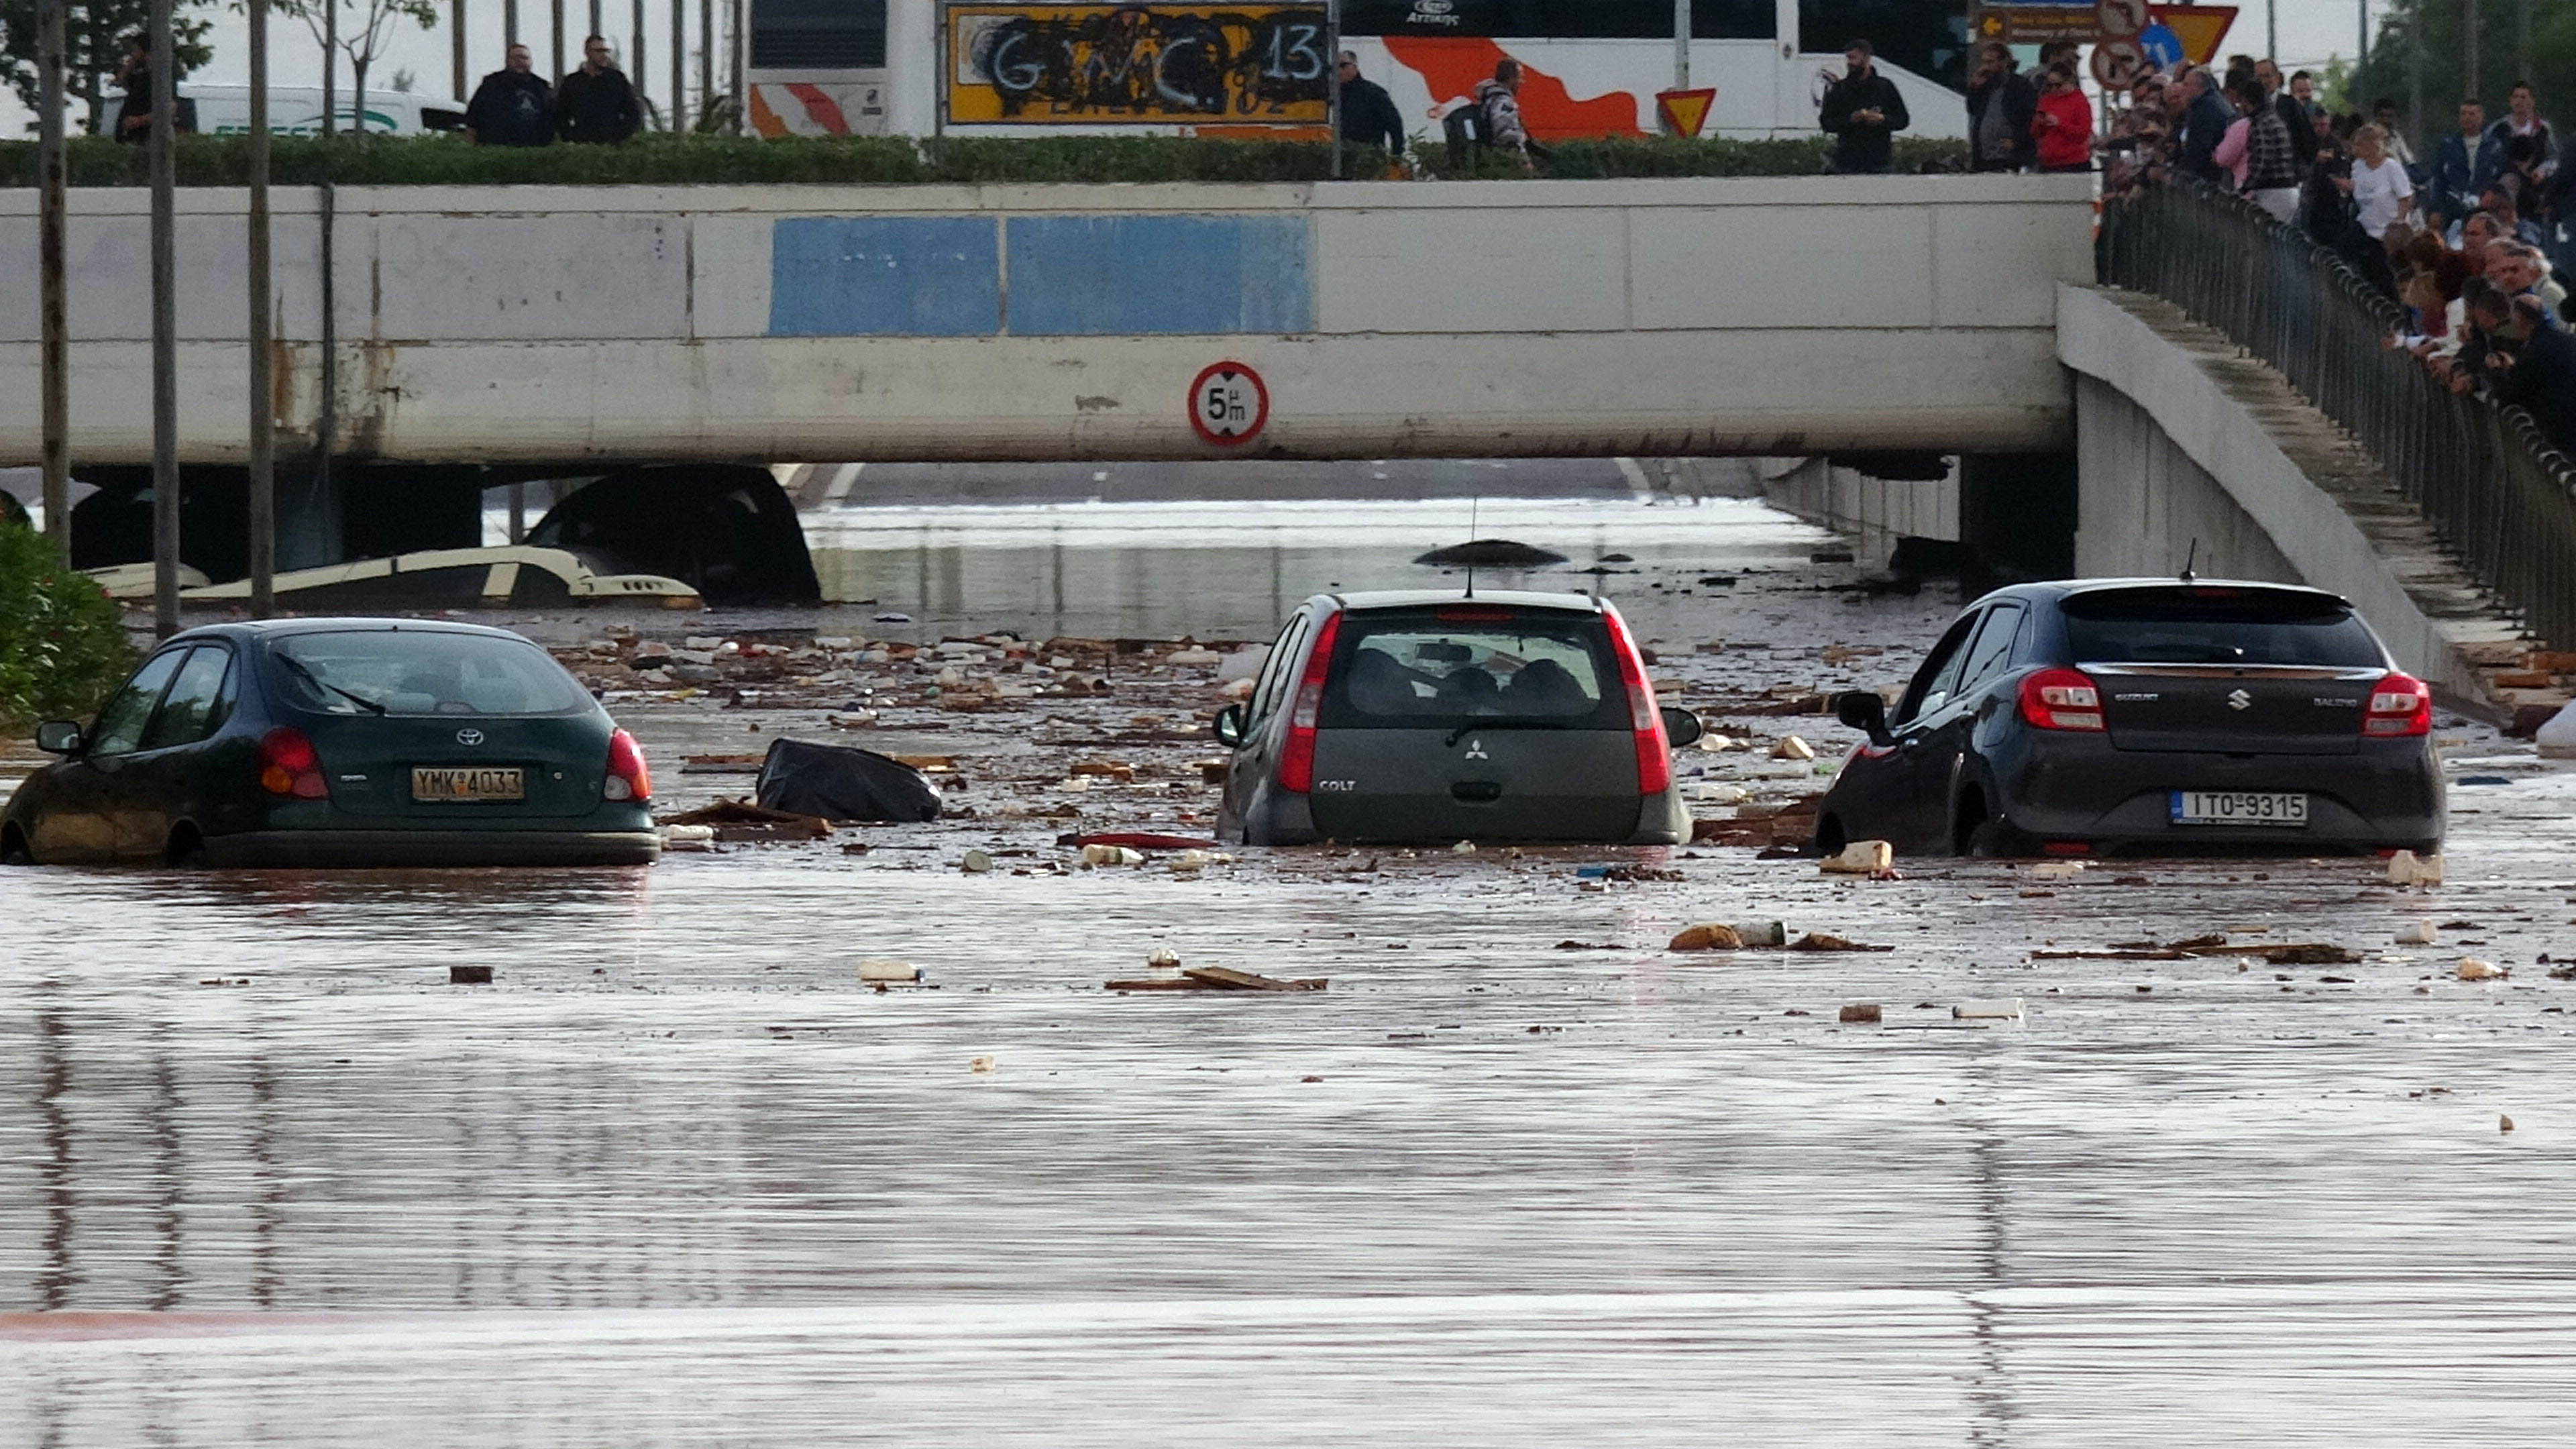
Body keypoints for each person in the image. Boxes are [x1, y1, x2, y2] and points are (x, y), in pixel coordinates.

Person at [2476, 291, 2576, 455]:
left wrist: (2495, 370)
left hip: (2557, 431)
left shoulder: (2534, 350)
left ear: (2520, 318)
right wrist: (2512, 369)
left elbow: (2510, 393)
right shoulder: (2565, 340)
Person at [1819, 40, 1909, 174]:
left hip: (1880, 164)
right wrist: (1850, 120)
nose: (1849, 63)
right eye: (1848, 58)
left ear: (1867, 58)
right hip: (1846, 164)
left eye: (1853, 58)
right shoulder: (1839, 89)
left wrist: (1882, 119)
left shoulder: (1885, 87)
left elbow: (1903, 120)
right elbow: (1826, 123)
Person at [2228, 78, 2302, 223]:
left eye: (2241, 102)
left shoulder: (2260, 123)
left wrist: (2246, 187)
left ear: (2246, 101)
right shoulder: (2274, 119)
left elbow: (2262, 159)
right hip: (2288, 188)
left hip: (2274, 191)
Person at [2430, 99, 2506, 229]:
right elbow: (2439, 178)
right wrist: (2436, 210)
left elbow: (2500, 175)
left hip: (2485, 206)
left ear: (2481, 117)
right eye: (2463, 114)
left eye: (2471, 114)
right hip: (2453, 206)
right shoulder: (2448, 145)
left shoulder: (2494, 146)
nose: (2467, 118)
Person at [555, 34, 643, 145]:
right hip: (582, 146)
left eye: (605, 51)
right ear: (587, 52)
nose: (603, 55)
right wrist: (571, 137)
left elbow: (633, 113)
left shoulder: (617, 80)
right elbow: (561, 115)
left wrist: (619, 137)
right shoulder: (573, 82)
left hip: (611, 147)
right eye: (598, 51)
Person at [1966, 41, 2036, 173]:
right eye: (1984, 62)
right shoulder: (1985, 85)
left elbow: (2029, 117)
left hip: (2009, 155)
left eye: (1991, 62)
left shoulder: (2020, 85)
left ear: (2004, 61)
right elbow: (1972, 110)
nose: (1986, 67)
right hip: (1984, 155)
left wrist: (2018, 141)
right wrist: (1975, 89)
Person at [465, 43, 554, 147]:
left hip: (533, 149)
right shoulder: (492, 83)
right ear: (508, 60)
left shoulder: (542, 86)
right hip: (497, 148)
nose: (519, 61)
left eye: (524, 58)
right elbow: (472, 118)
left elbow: (552, 118)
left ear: (530, 61)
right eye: (515, 58)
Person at [2346, 123, 2416, 242]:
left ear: (2371, 146)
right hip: (2365, 228)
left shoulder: (2391, 167)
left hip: (2388, 233)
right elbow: (2358, 188)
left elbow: (2405, 198)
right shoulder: (2357, 167)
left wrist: (2399, 223)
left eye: (2359, 145)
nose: (2354, 148)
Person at [1473, 58, 1541, 172]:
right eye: (1520, 77)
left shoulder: (1489, 97)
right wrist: (1524, 161)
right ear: (1511, 78)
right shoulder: (1503, 100)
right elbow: (1506, 135)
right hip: (1506, 160)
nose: (1522, 82)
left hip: (1492, 157)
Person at [1335, 51, 1405, 160]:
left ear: (1355, 67)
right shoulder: (1330, 95)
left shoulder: (1374, 93)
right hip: (1338, 160)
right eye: (1334, 66)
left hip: (1369, 160)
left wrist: (1396, 157)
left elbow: (1395, 125)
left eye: (1343, 65)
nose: (1338, 70)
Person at [2176, 66, 2236, 184]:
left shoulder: (2204, 107)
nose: (2182, 89)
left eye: (2186, 85)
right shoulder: (2217, 100)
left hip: (2209, 175)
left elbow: (2202, 144)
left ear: (2197, 86)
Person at [2488, 81, 2558, 182]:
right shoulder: (2498, 128)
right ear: (2510, 101)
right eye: (2515, 97)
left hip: (2536, 184)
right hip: (2504, 184)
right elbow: (2487, 158)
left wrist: (2542, 171)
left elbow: (2554, 159)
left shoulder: (2543, 129)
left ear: (2532, 101)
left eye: (2523, 97)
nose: (2519, 101)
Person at [2030, 63, 2092, 174]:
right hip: (2048, 162)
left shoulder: (2079, 101)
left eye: (2058, 85)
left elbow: (2083, 134)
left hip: (2073, 162)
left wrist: (2059, 124)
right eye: (2050, 85)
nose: (2054, 89)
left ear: (2069, 81)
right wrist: (2040, 123)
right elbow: (2035, 133)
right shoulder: (2046, 100)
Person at [2372, 99, 2416, 169]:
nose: (2386, 120)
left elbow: (2409, 160)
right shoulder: (2367, 138)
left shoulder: (2396, 136)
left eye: (2389, 116)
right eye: (2382, 116)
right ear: (2375, 118)